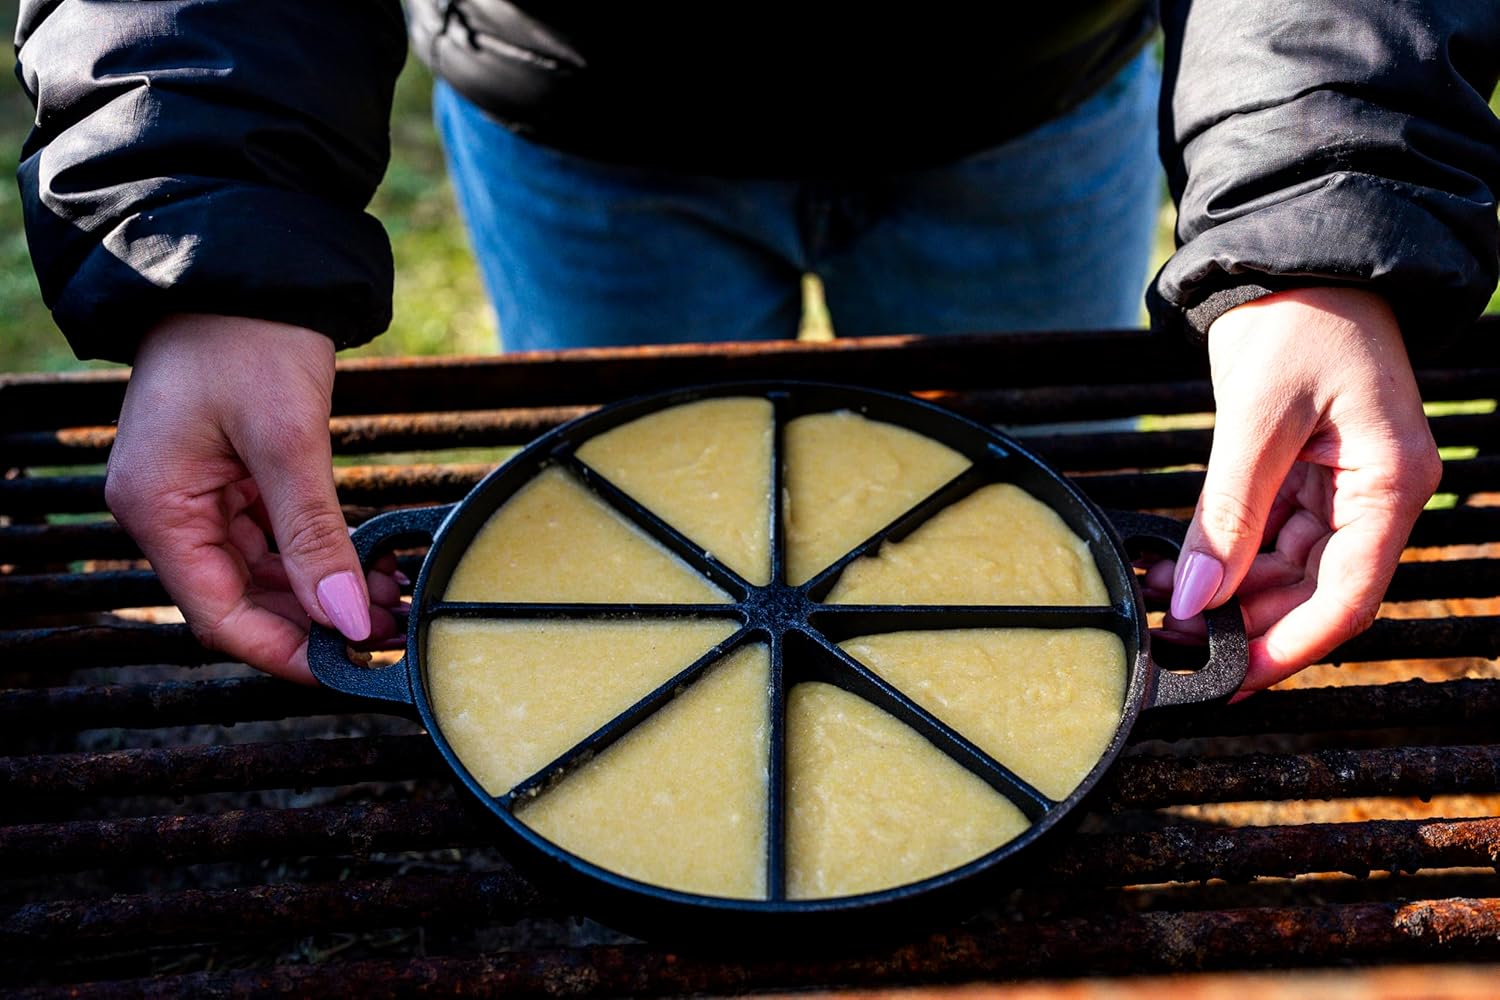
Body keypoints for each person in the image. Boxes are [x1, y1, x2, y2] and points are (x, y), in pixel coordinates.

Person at [13, 2, 1500, 698]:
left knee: (1010, 548)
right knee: (633, 551)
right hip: (581, 122)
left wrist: (1321, 205)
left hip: (1027, 105)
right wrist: (203, 228)